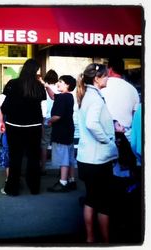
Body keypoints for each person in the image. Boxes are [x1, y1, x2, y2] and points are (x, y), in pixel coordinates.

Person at [76, 63, 118, 243]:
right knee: (104, 203)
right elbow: (92, 124)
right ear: (97, 78)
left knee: (91, 199)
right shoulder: (94, 98)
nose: (108, 78)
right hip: (98, 160)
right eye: (106, 75)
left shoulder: (86, 96)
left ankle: (90, 239)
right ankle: (106, 243)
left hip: (86, 158)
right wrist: (107, 139)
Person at [0, 58, 46, 196]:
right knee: (33, 157)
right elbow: (44, 110)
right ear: (35, 71)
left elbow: (2, 104)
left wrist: (2, 120)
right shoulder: (39, 86)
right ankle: (34, 188)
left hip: (14, 126)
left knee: (15, 158)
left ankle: (12, 189)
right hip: (34, 126)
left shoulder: (12, 84)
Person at [44, 75, 77, 192]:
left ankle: (63, 182)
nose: (58, 83)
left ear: (67, 85)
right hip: (69, 130)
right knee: (70, 155)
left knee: (63, 157)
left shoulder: (62, 98)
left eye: (61, 82)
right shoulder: (69, 96)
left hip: (61, 131)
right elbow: (53, 96)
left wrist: (49, 121)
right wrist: (47, 86)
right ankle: (72, 179)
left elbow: (57, 116)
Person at [101, 57, 140, 142]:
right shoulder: (132, 89)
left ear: (109, 70)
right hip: (127, 137)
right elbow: (135, 116)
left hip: (105, 136)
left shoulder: (101, 86)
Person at [40, 69, 59, 175]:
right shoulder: (58, 89)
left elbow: (42, 106)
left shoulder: (43, 89)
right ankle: (61, 167)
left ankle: (43, 167)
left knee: (44, 144)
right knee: (58, 144)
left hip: (46, 120)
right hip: (56, 120)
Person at [0, 94, 9, 179]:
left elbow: (0, 106)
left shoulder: (5, 95)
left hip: (8, 126)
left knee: (7, 151)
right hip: (22, 128)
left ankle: (9, 179)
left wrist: (1, 121)